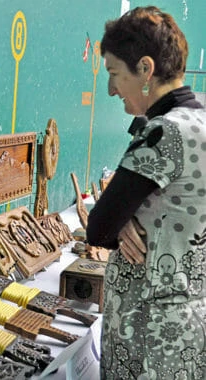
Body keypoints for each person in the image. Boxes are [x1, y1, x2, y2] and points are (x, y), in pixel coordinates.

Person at [86, 6, 206, 379]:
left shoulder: (164, 132)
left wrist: (117, 223)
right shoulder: (199, 119)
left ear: (145, 70)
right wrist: (127, 222)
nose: (110, 89)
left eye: (114, 74)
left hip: (150, 332)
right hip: (185, 320)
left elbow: (99, 227)